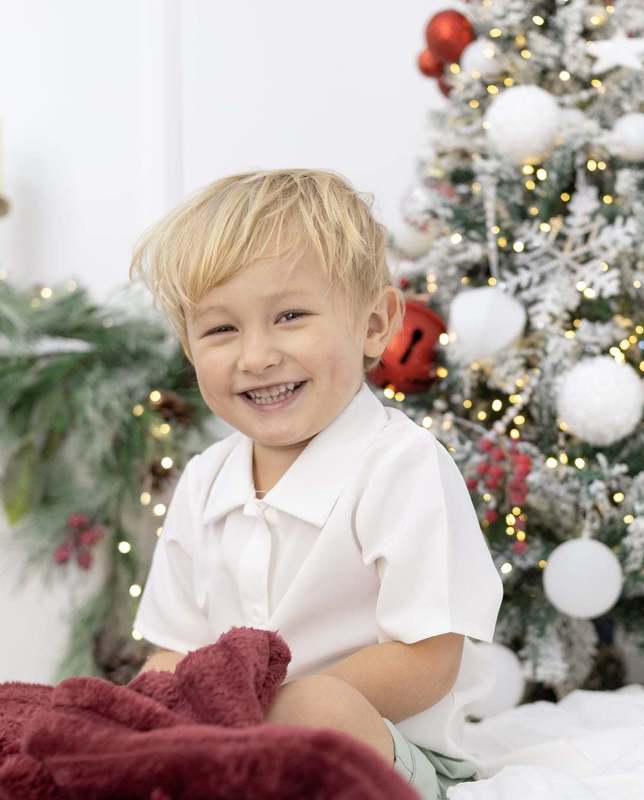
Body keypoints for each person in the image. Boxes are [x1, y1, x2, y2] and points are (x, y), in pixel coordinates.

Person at [128, 169, 504, 799]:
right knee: (141, 708)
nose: (256, 357)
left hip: (391, 748)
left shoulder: (401, 465)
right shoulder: (204, 480)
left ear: (374, 323)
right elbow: (173, 649)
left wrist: (273, 713)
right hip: (235, 742)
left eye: (290, 316)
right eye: (221, 329)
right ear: (189, 347)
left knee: (319, 708)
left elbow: (429, 659)